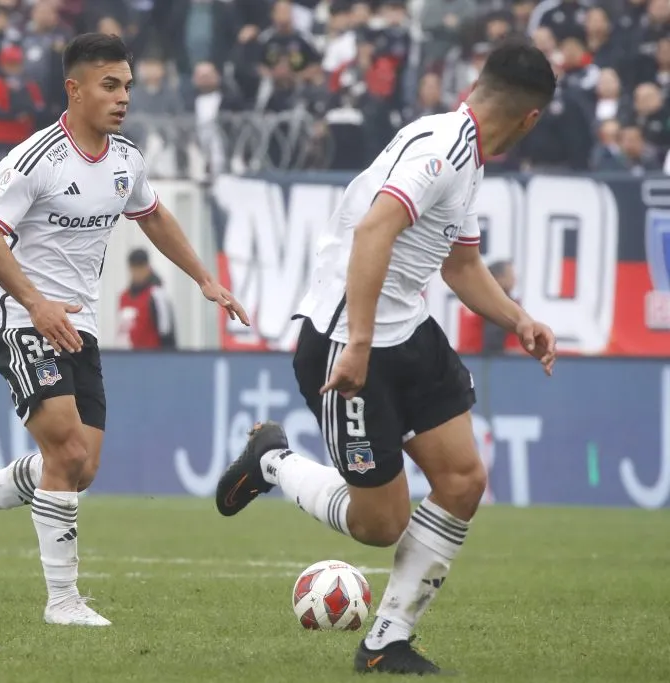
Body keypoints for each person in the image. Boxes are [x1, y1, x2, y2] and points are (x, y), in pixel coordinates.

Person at [214, 40, 558, 675]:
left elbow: (459, 262)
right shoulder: (441, 150)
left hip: (409, 333)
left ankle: (385, 642)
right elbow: (375, 230)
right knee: (381, 523)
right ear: (531, 118)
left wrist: (518, 319)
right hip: (349, 340)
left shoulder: (466, 152)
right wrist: (363, 344)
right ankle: (273, 462)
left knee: (463, 480)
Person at [0, 33, 249, 627]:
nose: (123, 97)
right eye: (110, 85)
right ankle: (63, 601)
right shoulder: (33, 159)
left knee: (80, 467)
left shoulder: (126, 160)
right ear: (73, 89)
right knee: (66, 449)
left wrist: (204, 279)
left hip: (82, 327)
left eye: (127, 85)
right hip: (23, 320)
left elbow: (153, 216)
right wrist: (36, 302)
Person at [117, 248, 176, 349]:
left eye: (141, 267)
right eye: (135, 267)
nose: (138, 272)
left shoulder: (157, 295)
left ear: (148, 267)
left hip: (152, 358)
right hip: (129, 358)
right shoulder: (124, 297)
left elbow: (166, 332)